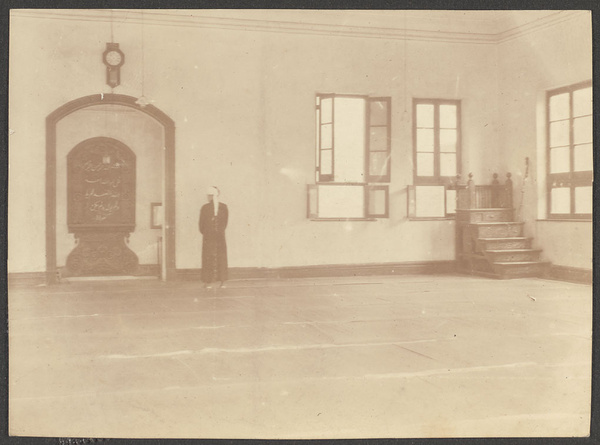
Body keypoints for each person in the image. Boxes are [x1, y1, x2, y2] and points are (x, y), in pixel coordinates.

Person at [199, 186, 228, 288]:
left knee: (208, 257)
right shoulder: (224, 207)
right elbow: (225, 224)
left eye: (208, 195)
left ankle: (208, 283)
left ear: (210, 196)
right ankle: (223, 282)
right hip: (220, 236)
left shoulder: (205, 208)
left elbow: (201, 226)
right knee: (221, 257)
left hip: (208, 237)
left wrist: (208, 232)